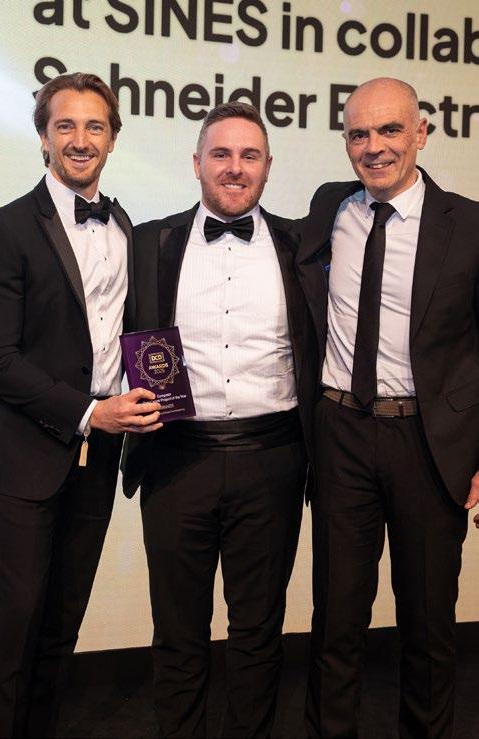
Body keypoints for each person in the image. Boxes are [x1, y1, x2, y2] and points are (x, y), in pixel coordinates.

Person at [122, 101, 316, 738]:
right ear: (197, 163)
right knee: (178, 633)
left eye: (249, 155)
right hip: (176, 458)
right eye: (221, 154)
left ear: (268, 166)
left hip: (273, 459)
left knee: (258, 633)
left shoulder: (301, 246)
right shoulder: (149, 241)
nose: (235, 167)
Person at [296, 77, 479, 739]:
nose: (373, 147)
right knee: (335, 622)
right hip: (340, 433)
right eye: (358, 134)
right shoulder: (329, 207)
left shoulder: (469, 225)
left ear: (422, 132)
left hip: (428, 444)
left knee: (428, 627)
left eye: (390, 130)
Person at [0, 72, 161, 738]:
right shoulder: (5, 229)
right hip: (26, 458)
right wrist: (90, 412)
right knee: (14, 624)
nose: (80, 140)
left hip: (101, 456)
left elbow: (127, 337)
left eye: (95, 126)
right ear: (43, 137)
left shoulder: (125, 227)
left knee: (63, 624)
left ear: (113, 139)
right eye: (66, 125)